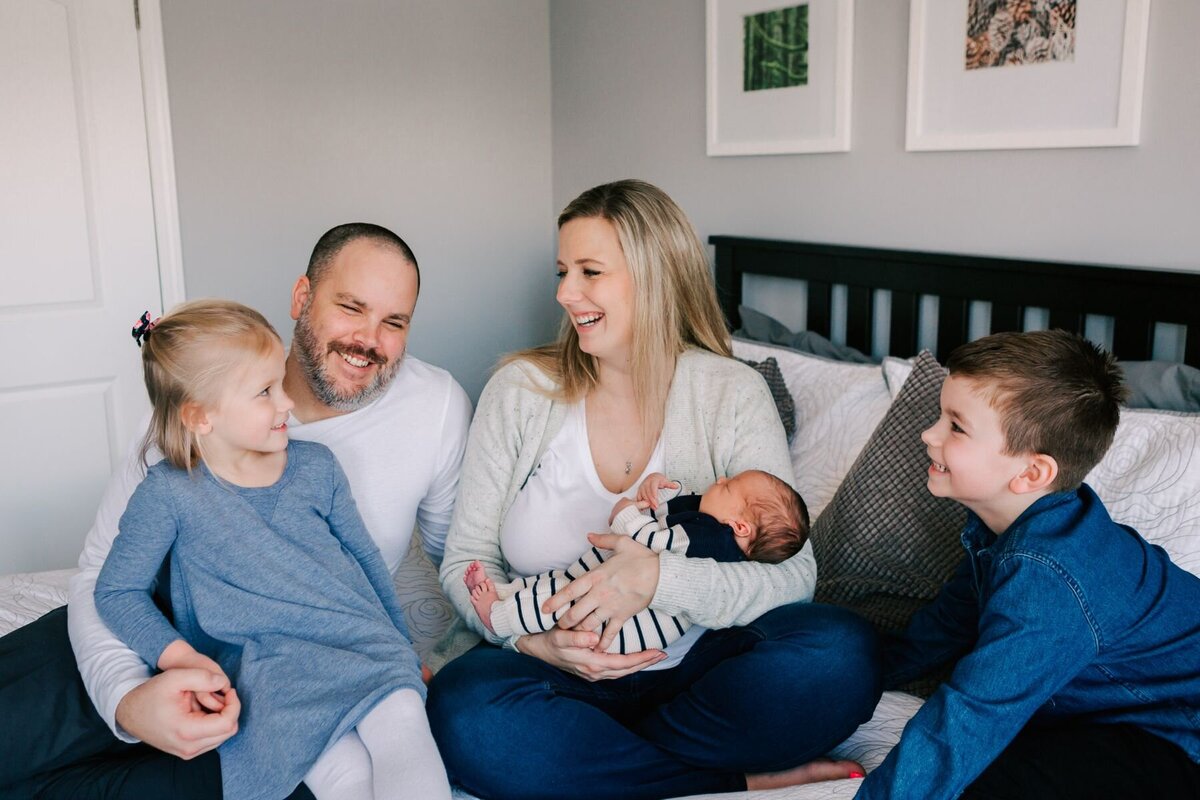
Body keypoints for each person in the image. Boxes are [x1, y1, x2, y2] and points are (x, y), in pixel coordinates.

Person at [427, 179, 882, 800]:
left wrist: (656, 580)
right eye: (563, 271)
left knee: (840, 653)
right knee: (464, 707)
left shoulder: (730, 393)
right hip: (557, 671)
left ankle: (592, 762)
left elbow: (791, 578)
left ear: (655, 278)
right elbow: (467, 560)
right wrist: (534, 641)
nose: (564, 293)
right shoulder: (520, 391)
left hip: (694, 672)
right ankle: (733, 780)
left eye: (590, 271)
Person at [0, 223, 472, 800]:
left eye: (394, 322)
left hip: (261, 682)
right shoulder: (197, 416)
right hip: (154, 632)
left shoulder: (434, 407)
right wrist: (127, 697)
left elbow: (459, 555)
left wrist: (437, 648)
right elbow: (105, 578)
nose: (369, 339)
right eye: (351, 307)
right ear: (303, 298)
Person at [94, 299, 451, 800]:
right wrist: (180, 658)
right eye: (264, 392)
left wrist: (401, 645)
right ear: (200, 416)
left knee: (402, 721)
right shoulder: (168, 493)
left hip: (357, 637)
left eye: (279, 383)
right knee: (342, 770)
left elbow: (366, 561)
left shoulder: (317, 467)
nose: (286, 403)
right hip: (269, 669)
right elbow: (117, 590)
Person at [857, 330, 1200, 800]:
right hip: (1112, 714)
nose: (928, 434)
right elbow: (946, 625)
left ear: (1032, 473)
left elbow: (973, 713)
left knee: (979, 781)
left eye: (955, 426)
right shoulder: (1008, 527)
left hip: (1174, 733)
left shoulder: (1049, 576)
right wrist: (858, 681)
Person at [465, 469, 808, 654]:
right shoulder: (713, 533)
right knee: (558, 584)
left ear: (740, 526)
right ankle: (504, 592)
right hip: (609, 596)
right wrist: (660, 491)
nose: (719, 480)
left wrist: (626, 515)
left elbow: (656, 539)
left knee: (560, 600)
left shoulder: (711, 537)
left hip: (631, 628)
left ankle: (502, 617)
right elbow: (671, 519)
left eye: (729, 486)